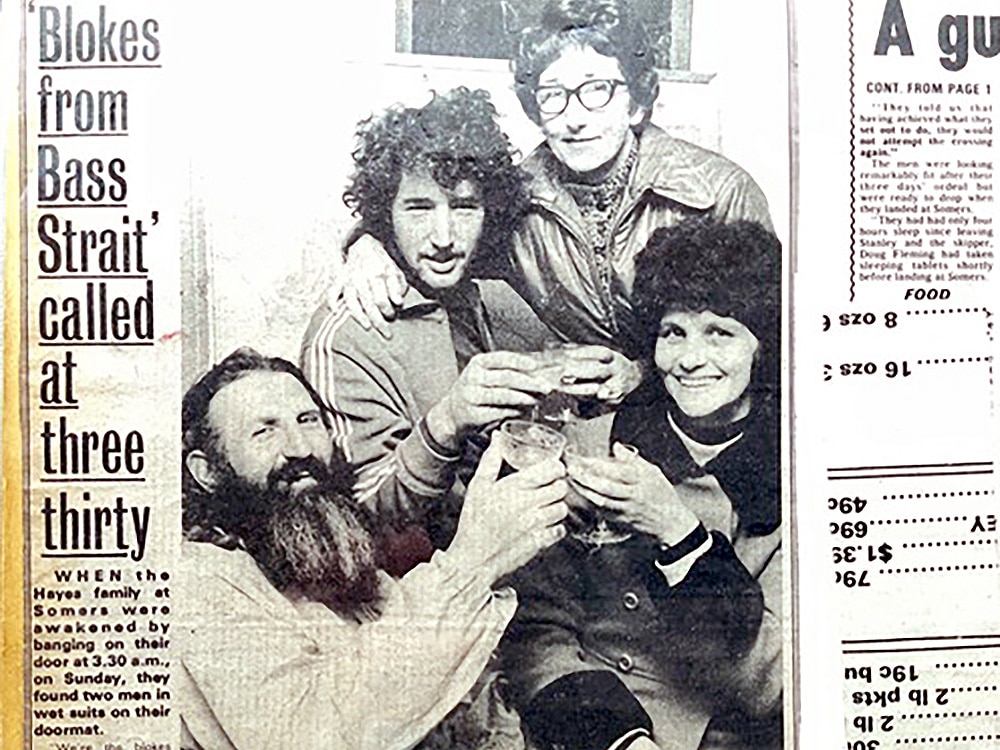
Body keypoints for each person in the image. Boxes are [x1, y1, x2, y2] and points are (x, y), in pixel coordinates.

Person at [332, 0, 773, 403]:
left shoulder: (718, 192)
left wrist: (641, 373)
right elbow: (440, 242)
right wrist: (366, 243)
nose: (576, 118)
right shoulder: (516, 197)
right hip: (600, 423)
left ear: (636, 104)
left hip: (706, 414)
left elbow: (766, 347)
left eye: (597, 89)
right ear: (536, 111)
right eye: (553, 96)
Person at [176, 348, 570, 750]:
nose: (299, 447)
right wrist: (469, 564)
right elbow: (309, 736)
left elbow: (469, 709)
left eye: (308, 421)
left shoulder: (339, 565)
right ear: (207, 471)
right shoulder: (198, 580)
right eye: (265, 431)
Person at [302, 87, 618, 571]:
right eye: (419, 208)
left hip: (519, 565)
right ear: (385, 212)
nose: (445, 237)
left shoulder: (483, 297)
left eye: (465, 208)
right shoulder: (347, 331)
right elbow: (362, 514)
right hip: (426, 596)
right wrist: (447, 421)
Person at [501, 219, 782, 750]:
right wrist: (619, 739)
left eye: (719, 332)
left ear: (760, 346)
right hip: (598, 727)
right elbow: (535, 628)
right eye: (672, 332)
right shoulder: (592, 440)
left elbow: (780, 683)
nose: (689, 359)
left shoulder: (794, 472)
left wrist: (679, 533)